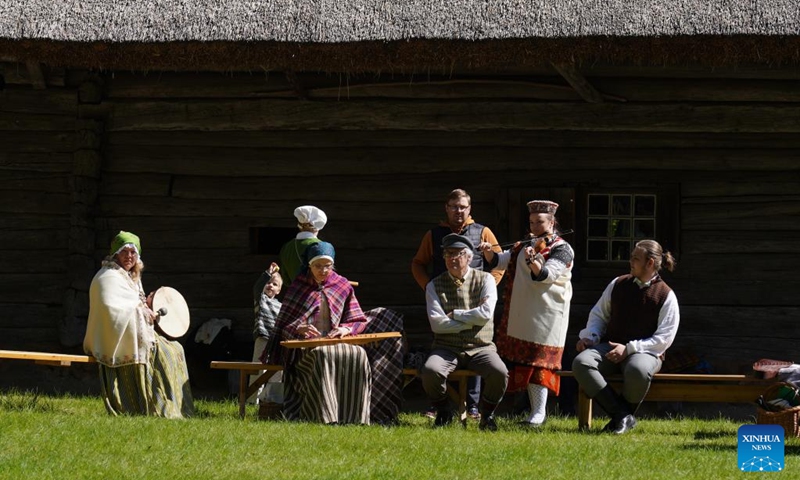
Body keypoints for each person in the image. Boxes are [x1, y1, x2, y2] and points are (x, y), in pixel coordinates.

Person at [263, 242, 405, 425]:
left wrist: (346, 329)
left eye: (327, 266)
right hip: (305, 349)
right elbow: (284, 327)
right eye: (318, 266)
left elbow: (358, 320)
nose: (323, 270)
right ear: (309, 265)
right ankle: (325, 415)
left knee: (358, 354)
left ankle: (356, 416)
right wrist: (299, 328)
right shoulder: (298, 287)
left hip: (337, 341)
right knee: (323, 355)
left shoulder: (342, 286)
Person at [478, 200, 574, 427]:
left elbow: (549, 275)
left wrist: (535, 263)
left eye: (540, 222)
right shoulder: (524, 245)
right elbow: (501, 262)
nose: (535, 226)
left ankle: (538, 413)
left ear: (552, 222)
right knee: (523, 361)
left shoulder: (562, 248)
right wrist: (489, 253)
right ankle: (530, 411)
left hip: (547, 314)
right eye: (532, 222)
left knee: (539, 362)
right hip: (523, 313)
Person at [411, 188, 503, 419]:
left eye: (462, 207)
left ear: (469, 209)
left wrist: (490, 285)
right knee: (442, 350)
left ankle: (474, 406)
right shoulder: (434, 234)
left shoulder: (483, 231)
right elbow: (418, 263)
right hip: (442, 296)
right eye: (454, 207)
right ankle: (442, 406)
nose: (458, 211)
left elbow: (500, 261)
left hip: (476, 294)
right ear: (447, 208)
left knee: (477, 348)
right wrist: (428, 288)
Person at [572, 239, 679, 434]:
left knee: (638, 369)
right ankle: (622, 416)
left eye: (635, 258)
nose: (630, 261)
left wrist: (629, 349)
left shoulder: (666, 295)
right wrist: (591, 337)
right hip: (611, 346)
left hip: (646, 352)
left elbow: (664, 339)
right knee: (582, 362)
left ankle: (620, 418)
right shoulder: (618, 284)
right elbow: (599, 315)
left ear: (650, 263)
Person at [84, 231, 194, 418]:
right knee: (165, 354)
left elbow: (133, 302)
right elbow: (112, 308)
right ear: (115, 254)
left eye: (133, 253)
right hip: (120, 339)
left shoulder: (129, 277)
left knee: (176, 350)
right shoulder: (108, 277)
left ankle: (177, 408)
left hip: (136, 333)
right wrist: (142, 311)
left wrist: (146, 305)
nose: (129, 256)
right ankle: (154, 406)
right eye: (124, 251)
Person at [420, 233, 508, 431]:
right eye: (448, 254)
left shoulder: (486, 280)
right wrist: (472, 320)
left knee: (500, 373)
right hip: (446, 347)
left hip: (481, 347)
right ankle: (444, 411)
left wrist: (455, 315)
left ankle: (487, 414)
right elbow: (437, 325)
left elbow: (485, 315)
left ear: (469, 257)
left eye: (457, 254)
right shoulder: (434, 285)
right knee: (430, 371)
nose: (452, 258)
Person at [249, 262, 283, 404]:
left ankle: (270, 400)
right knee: (258, 369)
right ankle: (253, 400)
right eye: (268, 282)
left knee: (276, 370)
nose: (270, 285)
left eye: (274, 284)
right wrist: (268, 273)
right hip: (263, 337)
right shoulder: (261, 299)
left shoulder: (281, 305)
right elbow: (257, 287)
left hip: (276, 341)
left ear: (279, 290)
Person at [278, 205, 327, 285]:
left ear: (299, 226)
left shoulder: (286, 247)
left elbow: (286, 279)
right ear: (318, 227)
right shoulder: (321, 246)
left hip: (294, 294)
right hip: (315, 295)